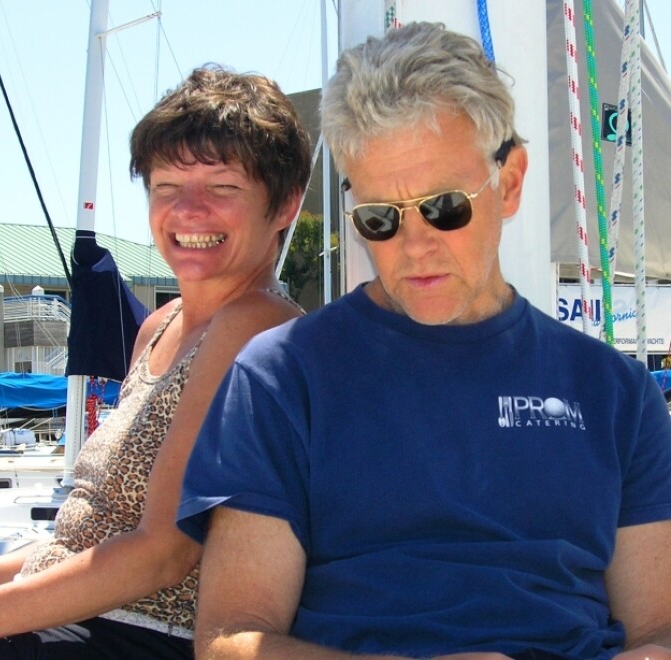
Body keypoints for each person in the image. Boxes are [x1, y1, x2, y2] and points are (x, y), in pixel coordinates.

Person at [177, 23, 671, 659]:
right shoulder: (280, 379)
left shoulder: (616, 395)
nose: (415, 247)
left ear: (511, 182)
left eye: (445, 207)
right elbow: (227, 640)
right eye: (380, 219)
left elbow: (658, 631)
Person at [0, 64, 312, 659]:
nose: (188, 211)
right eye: (167, 187)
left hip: (145, 632)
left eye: (222, 188)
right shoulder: (160, 326)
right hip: (84, 612)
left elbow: (164, 551)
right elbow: (84, 529)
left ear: (283, 206)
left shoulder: (255, 325)